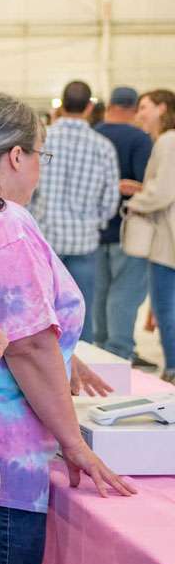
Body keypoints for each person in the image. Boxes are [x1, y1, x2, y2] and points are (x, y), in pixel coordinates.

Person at [0, 92, 135, 564]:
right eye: (42, 153)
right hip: (6, 467)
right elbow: (30, 348)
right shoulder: (8, 223)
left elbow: (24, 327)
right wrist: (76, 444)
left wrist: (64, 348)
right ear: (17, 156)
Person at [34, 80, 120, 316]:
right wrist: (95, 222)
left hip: (45, 241)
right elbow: (110, 200)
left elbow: (27, 189)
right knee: (81, 318)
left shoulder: (42, 139)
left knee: (43, 317)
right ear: (90, 107)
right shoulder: (104, 147)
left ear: (61, 105)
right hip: (84, 242)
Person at [93, 86, 155, 367]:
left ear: (110, 106)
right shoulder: (140, 139)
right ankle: (119, 353)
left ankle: (101, 353)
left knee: (100, 293)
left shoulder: (94, 134)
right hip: (128, 230)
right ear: (134, 107)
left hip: (94, 230)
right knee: (125, 294)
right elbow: (149, 185)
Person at [124, 89, 175, 383]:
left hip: (166, 242)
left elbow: (163, 193)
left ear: (162, 108)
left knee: (165, 307)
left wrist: (133, 203)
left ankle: (172, 370)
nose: (140, 113)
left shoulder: (168, 141)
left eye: (145, 107)